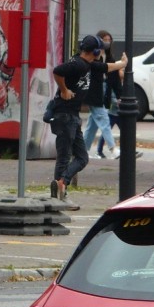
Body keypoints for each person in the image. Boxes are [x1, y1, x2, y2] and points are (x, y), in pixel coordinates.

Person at [50, 35, 127, 200]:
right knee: (63, 157)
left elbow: (105, 67)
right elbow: (57, 71)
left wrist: (122, 64)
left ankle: (62, 182)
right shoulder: (77, 64)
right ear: (96, 51)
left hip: (73, 116)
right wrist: (64, 90)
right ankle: (58, 195)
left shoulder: (88, 64)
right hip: (64, 115)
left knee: (82, 157)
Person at [83, 30, 122, 160]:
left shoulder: (110, 57)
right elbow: (99, 68)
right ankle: (113, 149)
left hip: (104, 91)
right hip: (94, 92)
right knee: (104, 119)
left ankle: (83, 150)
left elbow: (115, 79)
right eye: (105, 40)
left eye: (109, 40)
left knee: (92, 125)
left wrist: (119, 95)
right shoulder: (93, 57)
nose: (107, 42)